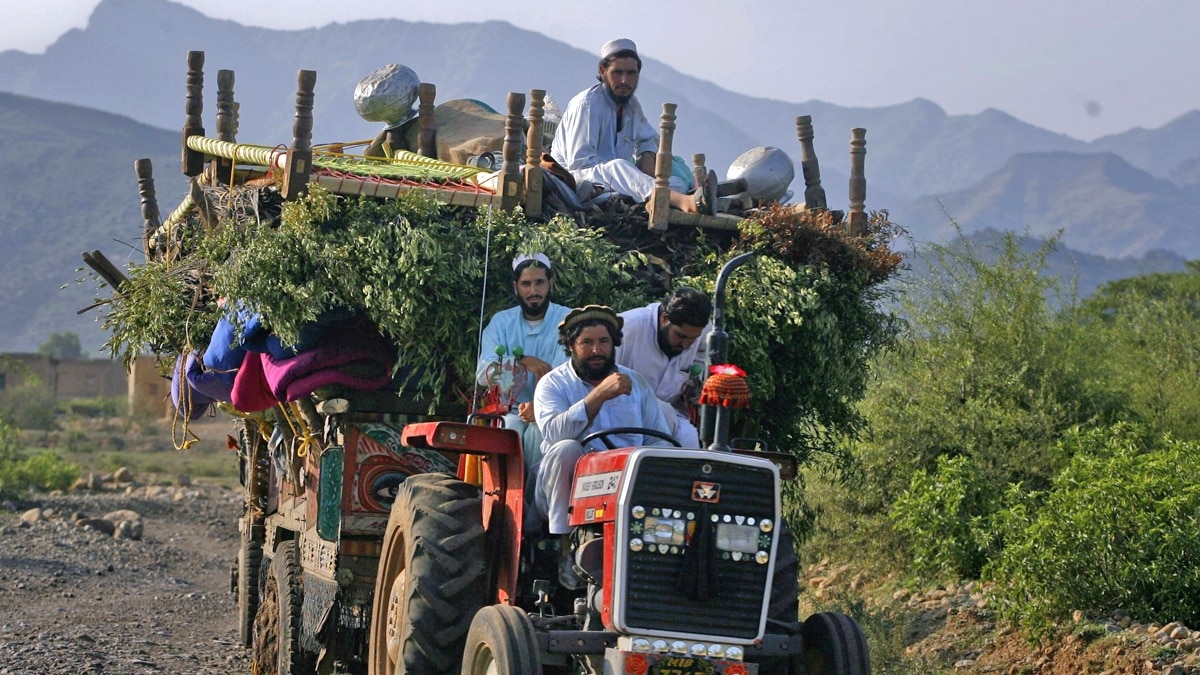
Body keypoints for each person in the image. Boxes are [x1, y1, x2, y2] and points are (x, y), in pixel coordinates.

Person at [532, 305, 672, 540]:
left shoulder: (636, 383)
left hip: (626, 485)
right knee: (566, 448)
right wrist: (597, 396)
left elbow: (658, 439)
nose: (596, 350)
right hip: (568, 489)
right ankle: (564, 544)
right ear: (570, 346)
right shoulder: (552, 384)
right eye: (586, 342)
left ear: (614, 343)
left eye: (604, 342)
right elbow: (554, 435)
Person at [550, 38, 706, 214]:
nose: (625, 80)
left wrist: (646, 156)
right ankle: (681, 202)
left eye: (631, 73)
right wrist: (627, 174)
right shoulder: (587, 104)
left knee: (675, 182)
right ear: (603, 71)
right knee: (620, 167)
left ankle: (654, 198)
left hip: (618, 182)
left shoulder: (631, 107)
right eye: (618, 73)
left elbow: (649, 137)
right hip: (577, 179)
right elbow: (580, 164)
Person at [475, 253, 571, 467]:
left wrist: (539, 406)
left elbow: (565, 374)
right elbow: (483, 375)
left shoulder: (568, 320)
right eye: (526, 284)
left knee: (541, 431)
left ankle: (534, 498)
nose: (533, 291)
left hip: (554, 410)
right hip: (511, 411)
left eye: (539, 283)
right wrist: (521, 361)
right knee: (510, 431)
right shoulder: (501, 322)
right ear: (515, 287)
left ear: (551, 284)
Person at [617, 287, 712, 448]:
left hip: (674, 417)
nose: (686, 345)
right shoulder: (628, 328)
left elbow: (702, 357)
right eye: (681, 336)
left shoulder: (705, 331)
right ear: (664, 318)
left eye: (693, 339)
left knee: (690, 440)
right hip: (623, 417)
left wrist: (695, 380)